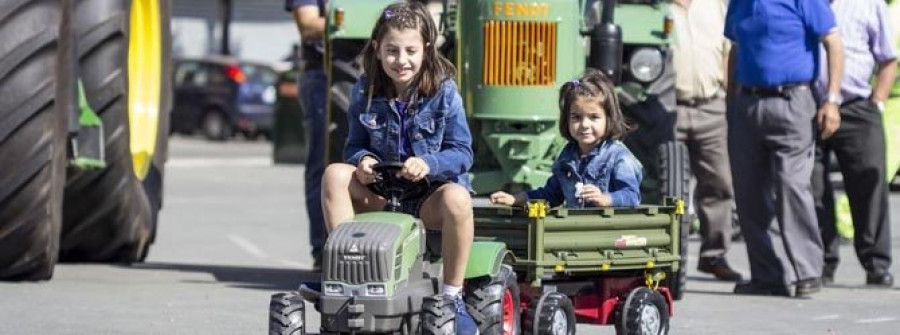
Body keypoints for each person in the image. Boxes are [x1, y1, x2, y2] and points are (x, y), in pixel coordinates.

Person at [319, 3, 478, 333]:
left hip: (426, 199)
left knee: (459, 199)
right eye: (392, 50)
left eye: (410, 50)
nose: (401, 60)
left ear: (427, 49)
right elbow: (354, 145)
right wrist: (362, 161)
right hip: (384, 194)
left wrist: (428, 163)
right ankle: (350, 275)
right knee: (334, 174)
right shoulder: (364, 90)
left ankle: (452, 297)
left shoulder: (444, 92)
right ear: (377, 50)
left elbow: (462, 153)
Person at [725, 0, 844, 297]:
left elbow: (833, 42)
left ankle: (808, 272)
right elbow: (735, 50)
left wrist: (831, 99)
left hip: (792, 100)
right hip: (748, 102)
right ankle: (767, 276)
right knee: (749, 194)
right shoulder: (739, 3)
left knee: (792, 188)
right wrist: (731, 100)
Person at [811, 0, 896, 287]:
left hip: (858, 106)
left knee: (869, 184)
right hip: (811, 104)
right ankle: (822, 260)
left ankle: (876, 262)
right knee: (814, 188)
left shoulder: (870, 4)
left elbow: (887, 59)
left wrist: (879, 103)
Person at [490, 69, 643, 209]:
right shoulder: (567, 157)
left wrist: (606, 199)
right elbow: (551, 195)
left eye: (594, 117)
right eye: (576, 117)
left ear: (608, 119)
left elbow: (632, 196)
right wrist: (516, 199)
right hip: (574, 232)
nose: (584, 125)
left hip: (609, 233)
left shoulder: (618, 156)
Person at [670, 0, 742, 282]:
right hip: (667, 108)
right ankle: (668, 258)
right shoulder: (655, 7)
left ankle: (715, 255)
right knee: (670, 187)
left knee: (720, 183)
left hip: (711, 106)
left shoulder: (715, 5)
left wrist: (729, 93)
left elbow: (728, 52)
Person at [285, 0, 326, 270]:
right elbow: (308, 25)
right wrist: (382, 24)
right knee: (323, 163)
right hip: (325, 73)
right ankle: (323, 250)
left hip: (385, 67)